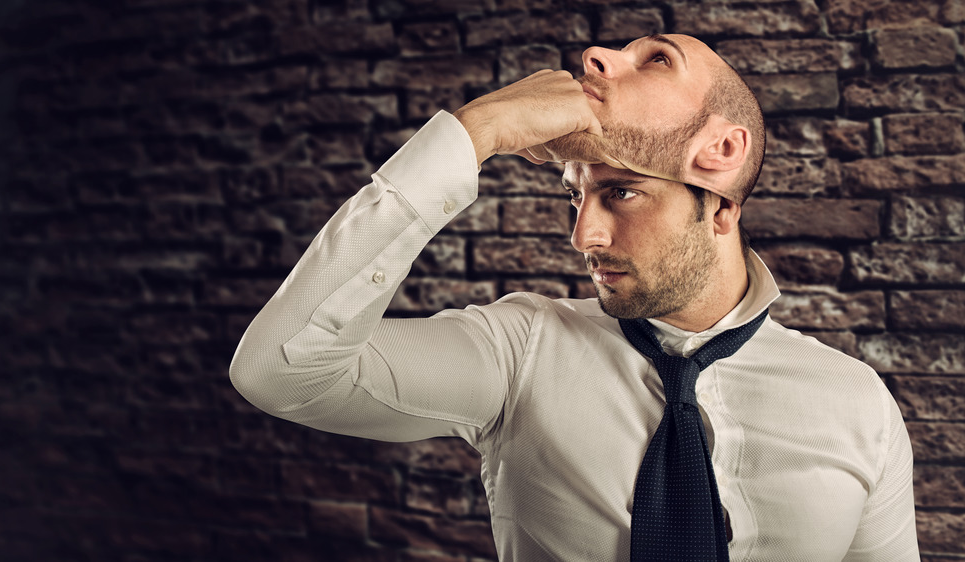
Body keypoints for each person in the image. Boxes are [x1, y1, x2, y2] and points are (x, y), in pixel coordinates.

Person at [229, 34, 919, 560]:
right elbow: (283, 372)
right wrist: (474, 133)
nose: (582, 236)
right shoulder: (519, 349)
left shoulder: (857, 403)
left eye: (620, 192)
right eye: (575, 194)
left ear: (721, 158)